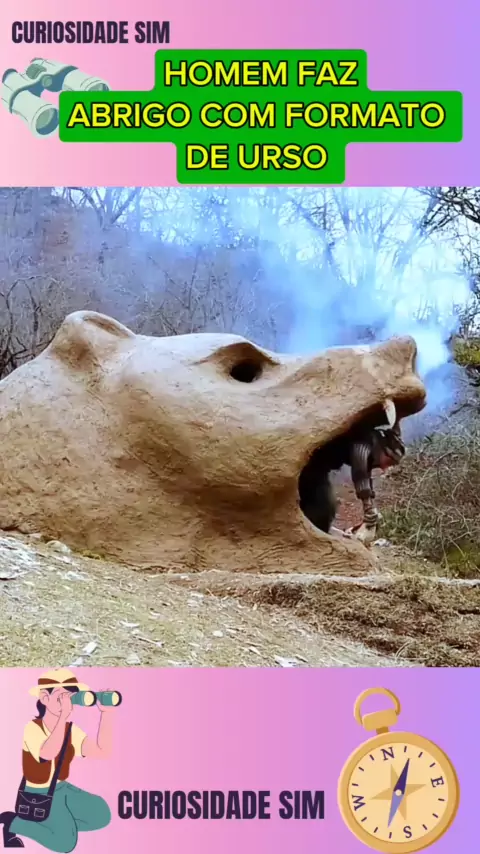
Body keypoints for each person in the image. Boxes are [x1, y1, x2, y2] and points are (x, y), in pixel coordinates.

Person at [0, 668, 114, 851]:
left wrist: (106, 714)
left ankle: (56, 826)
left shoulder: (70, 730)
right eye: (61, 697)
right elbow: (47, 753)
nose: (67, 702)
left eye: (71, 697)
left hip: (62, 788)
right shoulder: (33, 728)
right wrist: (62, 717)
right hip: (39, 793)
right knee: (65, 844)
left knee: (101, 814)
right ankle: (13, 822)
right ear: (45, 698)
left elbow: (102, 751)